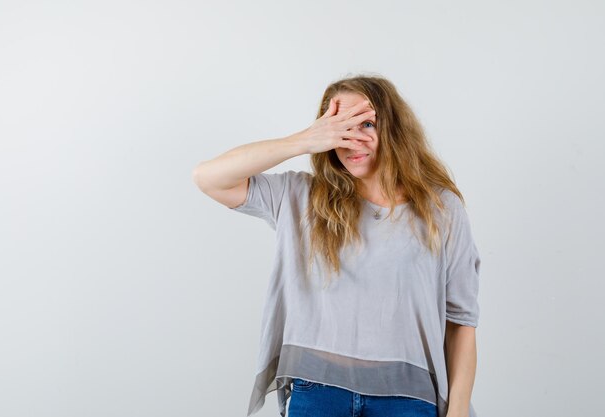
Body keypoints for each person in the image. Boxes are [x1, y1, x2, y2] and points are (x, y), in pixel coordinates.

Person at [192, 74, 481, 417]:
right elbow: (208, 177)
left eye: (366, 124)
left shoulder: (441, 209)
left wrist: (459, 409)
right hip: (317, 392)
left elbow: (460, 320)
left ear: (394, 129)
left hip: (407, 397)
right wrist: (301, 141)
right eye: (339, 127)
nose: (351, 140)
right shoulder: (301, 197)